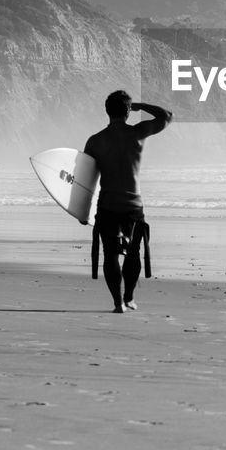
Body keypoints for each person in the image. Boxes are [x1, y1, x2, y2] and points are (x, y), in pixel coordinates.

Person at [83, 90, 173, 313]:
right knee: (133, 254)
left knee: (110, 254)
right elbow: (167, 116)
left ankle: (117, 303)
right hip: (133, 206)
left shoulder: (95, 141)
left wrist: (82, 211)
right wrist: (140, 106)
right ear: (127, 111)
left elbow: (86, 180)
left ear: (107, 111)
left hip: (107, 205)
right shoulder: (138, 133)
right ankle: (129, 297)